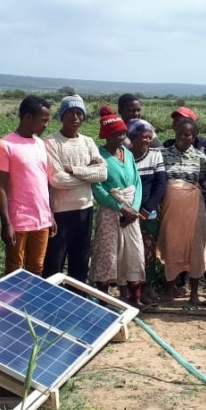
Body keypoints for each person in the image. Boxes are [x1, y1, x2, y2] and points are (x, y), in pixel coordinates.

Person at [44, 95, 107, 282]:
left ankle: (77, 301)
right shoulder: (51, 142)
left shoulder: (88, 142)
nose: (75, 117)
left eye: (79, 113)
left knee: (80, 261)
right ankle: (50, 303)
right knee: (54, 261)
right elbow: (57, 179)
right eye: (70, 113)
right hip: (61, 211)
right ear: (62, 116)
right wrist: (88, 175)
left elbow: (103, 173)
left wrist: (76, 171)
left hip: (85, 209)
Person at [0, 96, 55, 276]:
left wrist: (50, 213)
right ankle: (13, 304)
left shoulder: (40, 144)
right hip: (18, 220)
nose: (46, 125)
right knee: (15, 270)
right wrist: (6, 223)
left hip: (41, 219)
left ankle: (29, 305)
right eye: (43, 120)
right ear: (28, 117)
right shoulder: (5, 146)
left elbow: (44, 181)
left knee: (36, 268)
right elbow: (1, 187)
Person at [89, 106, 145, 304]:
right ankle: (104, 300)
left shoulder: (127, 154)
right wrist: (120, 208)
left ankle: (134, 298)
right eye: (115, 134)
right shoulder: (98, 156)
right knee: (108, 254)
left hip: (131, 212)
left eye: (122, 133)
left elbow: (136, 183)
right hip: (110, 211)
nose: (120, 137)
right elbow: (97, 187)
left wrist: (133, 210)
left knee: (134, 252)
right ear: (106, 136)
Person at [162, 106, 206, 297]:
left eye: (187, 135)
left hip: (194, 209)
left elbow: (201, 180)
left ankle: (194, 292)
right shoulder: (164, 154)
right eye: (179, 133)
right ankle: (171, 290)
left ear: (193, 137)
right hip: (171, 210)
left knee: (196, 246)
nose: (182, 137)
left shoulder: (200, 156)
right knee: (172, 246)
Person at [128, 119, 166, 304]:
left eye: (150, 138)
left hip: (149, 210)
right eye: (144, 137)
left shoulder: (155, 155)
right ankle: (132, 290)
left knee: (149, 250)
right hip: (128, 209)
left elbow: (160, 184)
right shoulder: (125, 156)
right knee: (131, 251)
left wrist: (147, 208)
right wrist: (132, 209)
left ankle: (148, 287)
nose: (148, 141)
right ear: (132, 138)